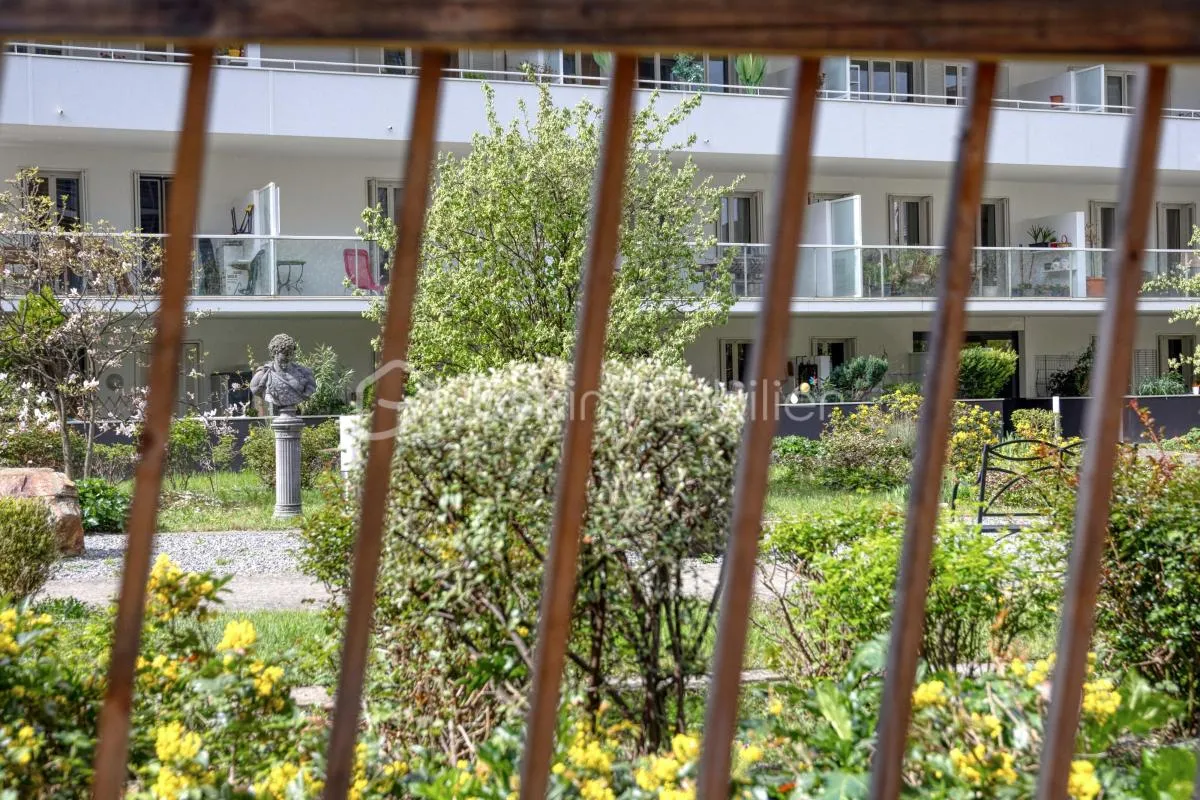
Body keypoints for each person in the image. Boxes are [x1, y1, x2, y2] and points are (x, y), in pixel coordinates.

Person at [249, 333, 316, 415]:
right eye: (285, 354)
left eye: (291, 354)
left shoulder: (304, 373)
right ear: (275, 353)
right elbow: (255, 389)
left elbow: (311, 388)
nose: (289, 357)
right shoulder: (263, 374)